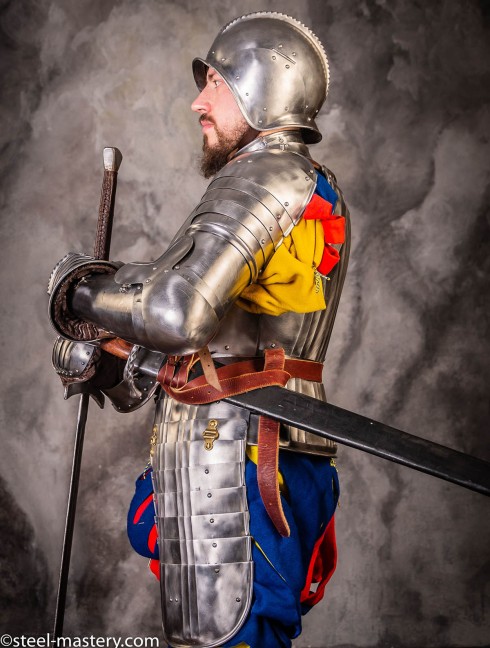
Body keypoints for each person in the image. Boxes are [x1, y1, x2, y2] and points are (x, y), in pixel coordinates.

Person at [48, 12, 350, 648]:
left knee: (229, 638)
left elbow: (175, 313)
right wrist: (123, 356)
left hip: (240, 450)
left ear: (259, 89)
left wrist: (80, 290)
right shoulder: (304, 186)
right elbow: (228, 343)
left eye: (214, 82)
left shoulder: (263, 178)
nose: (198, 101)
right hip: (254, 434)